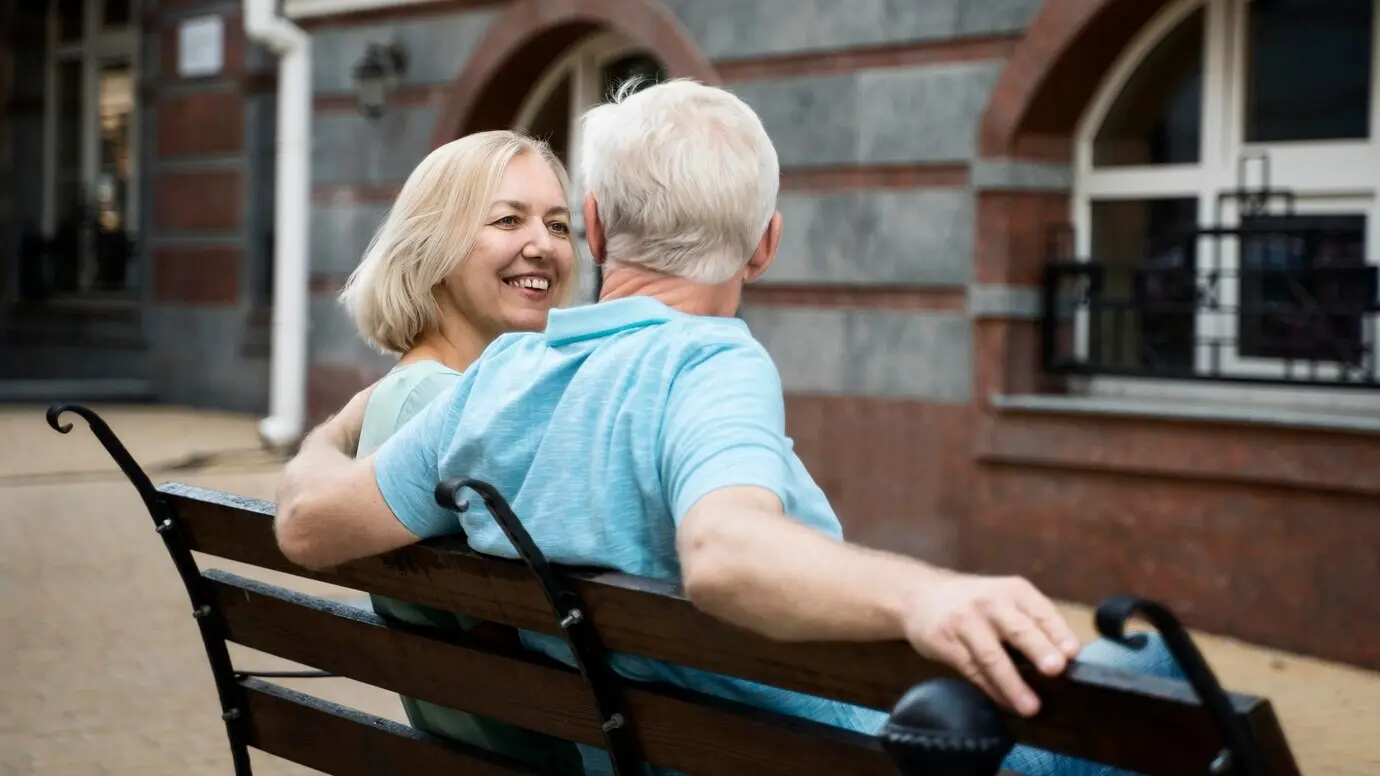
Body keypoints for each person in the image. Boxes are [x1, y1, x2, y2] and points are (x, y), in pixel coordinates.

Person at [275, 79, 1182, 776]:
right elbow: (726, 552)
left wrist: (326, 441)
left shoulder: (500, 380)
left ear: (591, 227)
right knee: (1155, 673)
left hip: (645, 752)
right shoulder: (711, 363)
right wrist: (926, 596)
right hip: (825, 758)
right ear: (766, 243)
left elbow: (307, 527)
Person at [333, 128, 584, 773]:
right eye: (508, 220)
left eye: (559, 226)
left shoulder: (407, 394)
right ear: (433, 246)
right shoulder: (448, 410)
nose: (543, 246)